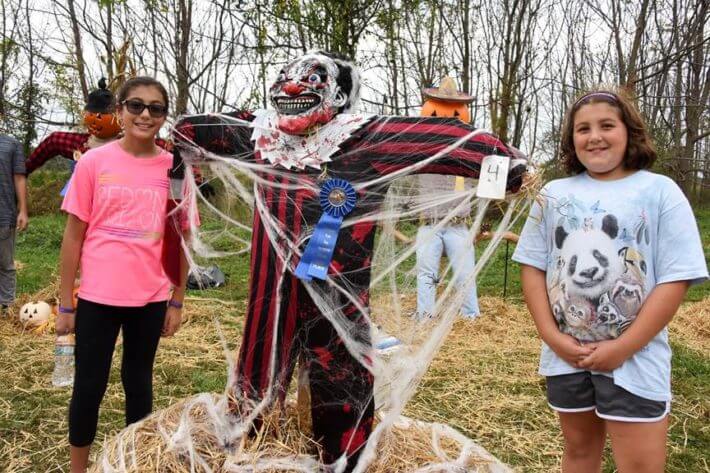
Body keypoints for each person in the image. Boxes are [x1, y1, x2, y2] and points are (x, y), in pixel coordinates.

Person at [173, 52, 526, 471]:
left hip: (338, 292)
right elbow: (191, 130)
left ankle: (342, 459)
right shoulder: (262, 139)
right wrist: (204, 132)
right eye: (285, 77)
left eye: (312, 78)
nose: (291, 87)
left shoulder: (365, 137)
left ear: (341, 94)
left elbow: (449, 139)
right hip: (271, 289)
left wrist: (506, 165)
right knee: (257, 372)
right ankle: (247, 450)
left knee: (340, 375)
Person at [512, 88, 708, 472]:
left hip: (635, 359)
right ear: (571, 139)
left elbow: (676, 277)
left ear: (629, 131)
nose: (594, 136)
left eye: (606, 125)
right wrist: (553, 338)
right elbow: (533, 265)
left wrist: (623, 347)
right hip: (566, 357)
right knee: (579, 452)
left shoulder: (659, 191)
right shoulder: (553, 194)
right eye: (582, 128)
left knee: (639, 465)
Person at [55, 76, 192, 473]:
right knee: (88, 387)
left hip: (149, 299)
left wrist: (177, 299)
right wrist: (66, 303)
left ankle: (131, 463)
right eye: (135, 105)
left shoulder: (176, 169)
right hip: (98, 298)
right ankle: (78, 469)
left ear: (164, 116)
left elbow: (181, 239)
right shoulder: (94, 163)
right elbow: (73, 237)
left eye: (156, 108)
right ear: (119, 111)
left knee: (138, 384)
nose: (145, 115)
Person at [415, 77, 480, 320]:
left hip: (457, 224)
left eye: (453, 110)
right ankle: (425, 316)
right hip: (430, 223)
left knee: (465, 273)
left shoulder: (470, 147)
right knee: (426, 273)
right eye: (438, 108)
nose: (445, 116)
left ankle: (470, 316)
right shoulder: (421, 147)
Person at [0, 132, 28, 315]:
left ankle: (6, 305)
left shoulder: (12, 144)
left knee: (5, 263)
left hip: (4, 212)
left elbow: (19, 178)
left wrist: (23, 210)